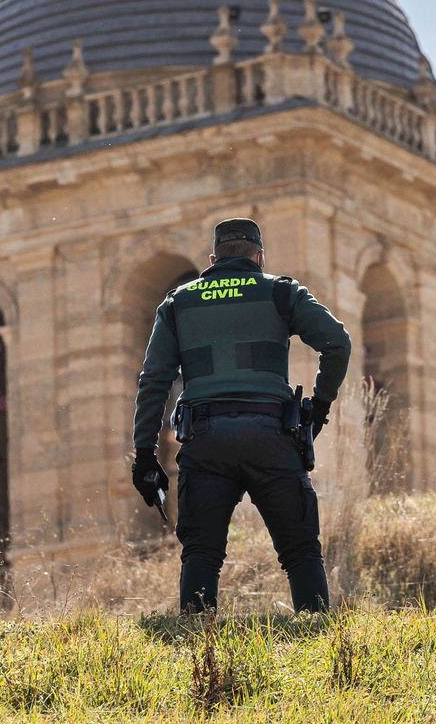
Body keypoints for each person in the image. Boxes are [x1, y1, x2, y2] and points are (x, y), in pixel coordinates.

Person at [131, 218, 352, 613]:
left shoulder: (179, 303)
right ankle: (318, 635)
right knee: (301, 551)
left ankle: (199, 644)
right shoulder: (281, 291)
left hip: (205, 441)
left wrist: (145, 454)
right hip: (272, 436)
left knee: (201, 553)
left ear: (214, 259)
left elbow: (154, 381)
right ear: (258, 256)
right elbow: (337, 343)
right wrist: (318, 409)